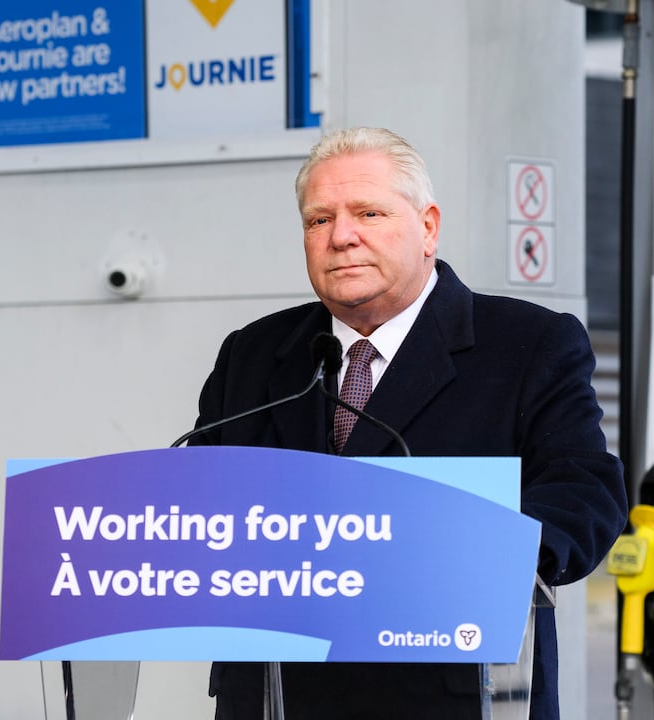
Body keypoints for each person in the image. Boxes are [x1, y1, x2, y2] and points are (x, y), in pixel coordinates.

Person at [190, 126, 627, 719]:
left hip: (451, 694)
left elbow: (585, 493)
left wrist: (477, 554)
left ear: (427, 227)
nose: (341, 237)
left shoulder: (529, 344)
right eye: (319, 220)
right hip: (275, 696)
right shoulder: (254, 353)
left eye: (367, 212)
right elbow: (196, 504)